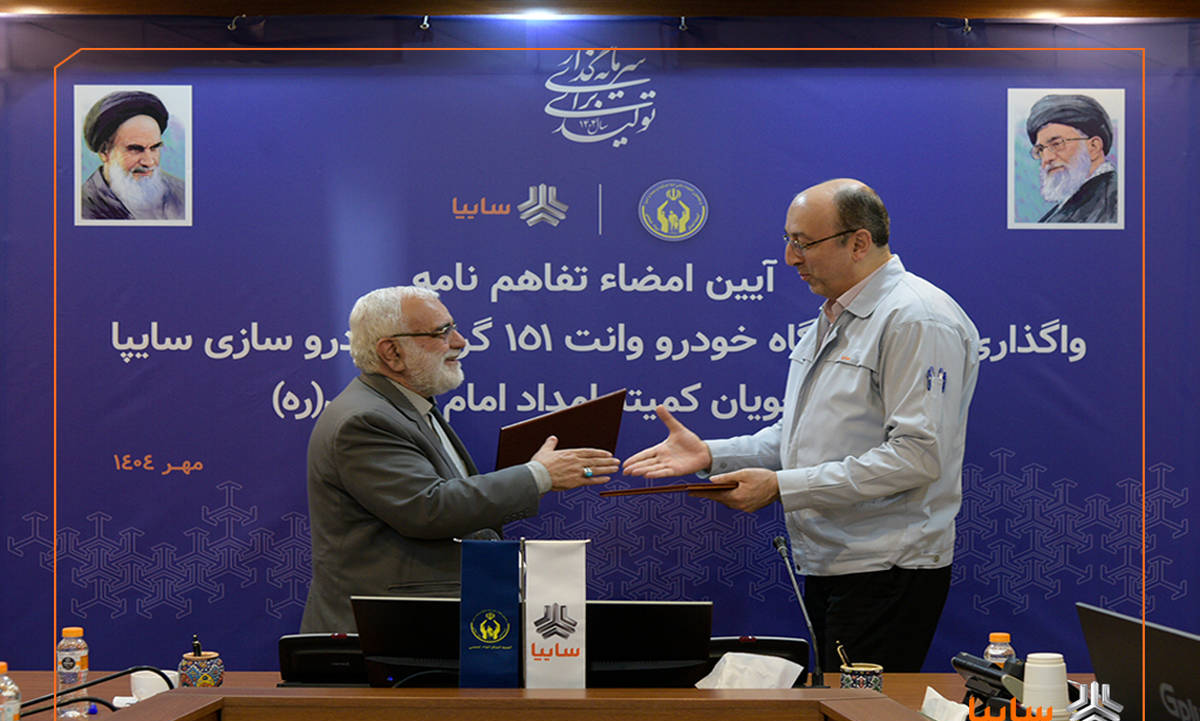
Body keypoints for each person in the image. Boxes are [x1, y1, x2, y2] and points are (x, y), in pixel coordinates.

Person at [623, 179, 980, 672]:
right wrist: (712, 455)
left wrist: (781, 487)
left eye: (804, 243)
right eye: (788, 240)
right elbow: (800, 435)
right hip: (834, 560)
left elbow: (916, 456)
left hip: (887, 567)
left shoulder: (916, 318)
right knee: (836, 709)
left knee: (860, 716)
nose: (790, 258)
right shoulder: (834, 315)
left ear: (859, 242)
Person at [300, 286, 618, 633]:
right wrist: (538, 475)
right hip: (385, 634)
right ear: (392, 352)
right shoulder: (365, 420)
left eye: (453, 328)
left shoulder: (409, 407)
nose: (461, 342)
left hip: (415, 627)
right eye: (442, 332)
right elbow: (428, 508)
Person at [81, 90, 186, 220]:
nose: (149, 162)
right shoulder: (82, 207)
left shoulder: (183, 194)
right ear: (104, 152)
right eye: (135, 149)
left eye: (154, 148)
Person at [1026, 93, 1118, 224]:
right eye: (1040, 150)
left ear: (1094, 147)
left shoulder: (1112, 203)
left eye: (1057, 144)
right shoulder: (1068, 206)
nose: (1046, 159)